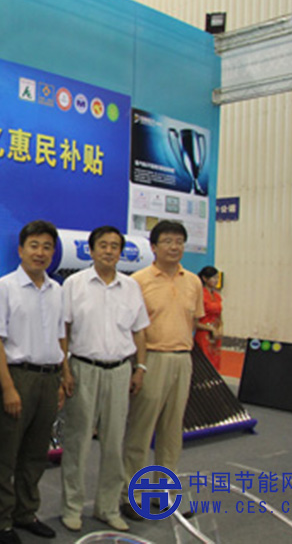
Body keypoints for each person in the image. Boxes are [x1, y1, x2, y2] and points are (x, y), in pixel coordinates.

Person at [59, 226, 149, 533]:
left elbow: (139, 331)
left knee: (114, 443)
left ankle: (108, 507)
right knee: (78, 442)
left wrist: (140, 368)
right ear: (92, 250)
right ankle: (72, 508)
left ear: (120, 252)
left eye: (114, 246)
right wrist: (65, 369)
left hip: (120, 371)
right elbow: (63, 330)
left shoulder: (131, 287)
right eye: (103, 245)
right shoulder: (74, 284)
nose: (109, 251)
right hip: (83, 369)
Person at [0, 220, 65, 544]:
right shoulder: (2, 288)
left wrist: (63, 377)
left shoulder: (57, 290)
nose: (40, 252)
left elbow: (61, 337)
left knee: (36, 454)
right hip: (17, 377)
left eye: (47, 247)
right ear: (20, 250)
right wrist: (7, 388)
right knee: (5, 455)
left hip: (49, 379)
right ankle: (0, 521)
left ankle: (26, 513)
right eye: (34, 246)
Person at [120, 220, 204, 522]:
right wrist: (139, 365)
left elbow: (195, 321)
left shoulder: (193, 282)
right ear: (153, 247)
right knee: (140, 431)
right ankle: (132, 495)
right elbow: (132, 327)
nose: (174, 246)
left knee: (172, 432)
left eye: (179, 241)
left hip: (183, 359)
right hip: (151, 359)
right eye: (167, 241)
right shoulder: (138, 281)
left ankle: (163, 493)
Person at [195, 266, 223, 370]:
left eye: (217, 278)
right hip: (204, 334)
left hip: (215, 335)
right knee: (204, 364)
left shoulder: (217, 296)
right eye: (213, 278)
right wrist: (211, 328)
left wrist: (220, 329)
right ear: (205, 278)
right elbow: (195, 322)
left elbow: (220, 316)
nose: (216, 280)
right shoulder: (200, 295)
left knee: (215, 362)